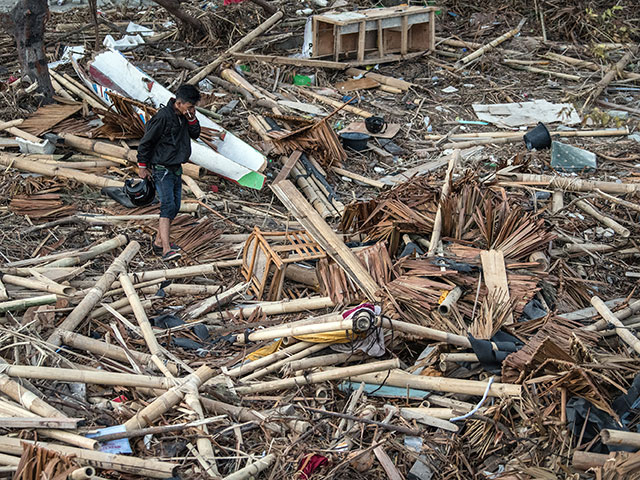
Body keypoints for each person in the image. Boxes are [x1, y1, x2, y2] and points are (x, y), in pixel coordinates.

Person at [137, 84, 201, 261]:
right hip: (161, 168)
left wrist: (192, 118)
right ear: (179, 103)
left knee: (175, 206)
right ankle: (166, 249)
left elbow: (196, 134)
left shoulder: (184, 117)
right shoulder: (163, 117)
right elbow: (146, 142)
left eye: (193, 107)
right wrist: (142, 166)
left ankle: (158, 242)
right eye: (190, 107)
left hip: (176, 168)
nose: (192, 110)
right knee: (166, 206)